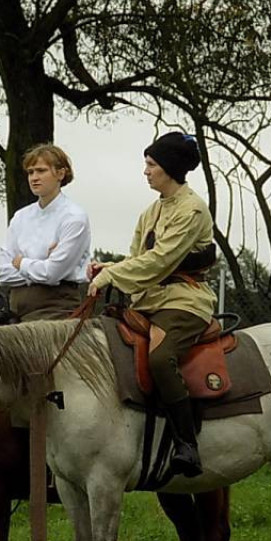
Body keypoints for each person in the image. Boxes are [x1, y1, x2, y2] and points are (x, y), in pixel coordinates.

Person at [86, 131, 217, 477]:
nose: (145, 171)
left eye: (151, 164)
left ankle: (187, 444)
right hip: (150, 299)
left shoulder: (191, 210)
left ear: (169, 168)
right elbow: (138, 259)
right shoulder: (150, 212)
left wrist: (109, 278)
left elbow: (161, 262)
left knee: (160, 358)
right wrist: (110, 268)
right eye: (146, 164)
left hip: (184, 301)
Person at [0, 143, 92, 321]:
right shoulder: (20, 217)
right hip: (14, 310)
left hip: (55, 308)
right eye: (31, 172)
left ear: (60, 174)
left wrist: (22, 263)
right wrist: (42, 264)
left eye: (41, 171)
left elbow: (53, 273)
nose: (34, 177)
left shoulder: (74, 217)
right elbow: (3, 273)